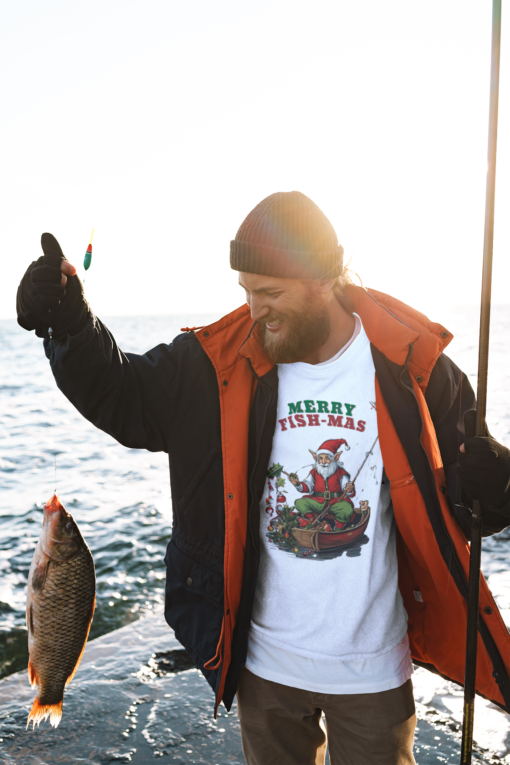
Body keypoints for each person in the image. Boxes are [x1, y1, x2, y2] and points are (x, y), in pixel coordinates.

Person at [16, 191, 510, 764]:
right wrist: (72, 325)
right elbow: (124, 394)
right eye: (247, 292)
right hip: (264, 669)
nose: (255, 310)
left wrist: (499, 486)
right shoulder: (218, 361)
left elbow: (469, 508)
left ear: (324, 279)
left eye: (270, 294)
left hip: (374, 671)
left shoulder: (413, 365)